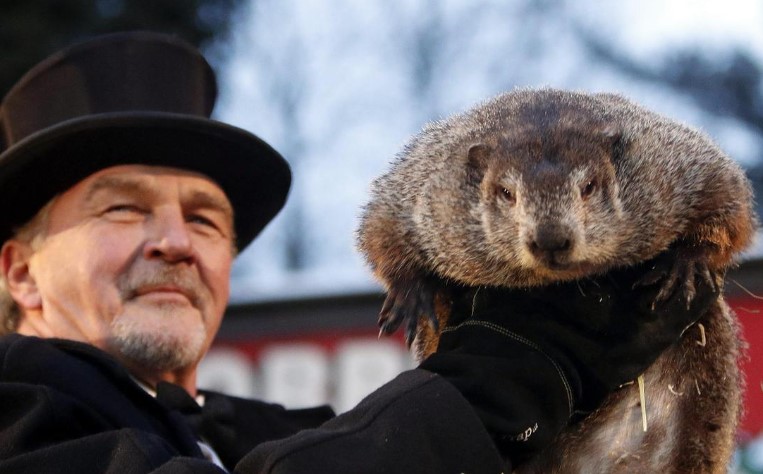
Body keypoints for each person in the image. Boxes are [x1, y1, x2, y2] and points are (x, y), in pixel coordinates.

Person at [0, 32, 717, 473]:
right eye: (122, 208)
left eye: (206, 220)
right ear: (20, 272)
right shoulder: (19, 423)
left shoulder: (262, 431)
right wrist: (516, 374)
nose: (176, 242)